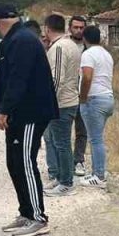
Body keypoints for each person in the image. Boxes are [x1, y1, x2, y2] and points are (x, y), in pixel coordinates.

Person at [0, 4, 59, 236]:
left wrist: (3, 111)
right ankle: (26, 212)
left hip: (30, 113)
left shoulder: (22, 41)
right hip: (18, 115)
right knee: (14, 162)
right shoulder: (14, 39)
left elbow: (18, 80)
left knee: (25, 162)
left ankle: (38, 218)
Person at [41, 14, 83, 197]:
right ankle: (60, 178)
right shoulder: (72, 45)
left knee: (62, 143)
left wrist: (48, 102)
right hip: (69, 100)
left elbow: (57, 78)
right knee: (60, 142)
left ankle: (66, 183)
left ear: (47, 28)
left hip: (61, 103)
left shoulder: (59, 47)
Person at [78, 25, 115, 187]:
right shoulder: (107, 55)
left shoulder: (88, 54)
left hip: (94, 99)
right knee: (97, 137)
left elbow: (87, 77)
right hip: (108, 97)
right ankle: (97, 172)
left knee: (95, 139)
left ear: (85, 39)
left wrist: (83, 97)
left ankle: (99, 175)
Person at [68, 15, 89, 177]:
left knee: (82, 130)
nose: (78, 30)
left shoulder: (90, 48)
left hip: (84, 94)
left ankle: (78, 160)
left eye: (81, 28)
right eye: (76, 27)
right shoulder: (64, 45)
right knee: (63, 131)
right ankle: (64, 162)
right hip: (67, 94)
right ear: (70, 28)